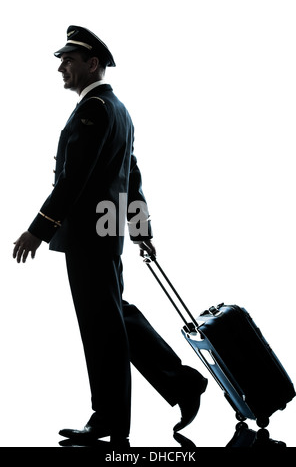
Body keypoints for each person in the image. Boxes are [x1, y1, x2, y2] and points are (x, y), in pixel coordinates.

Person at [13, 26, 208, 447]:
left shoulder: (95, 109)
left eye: (69, 60)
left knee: (102, 323)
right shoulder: (117, 109)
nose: (62, 67)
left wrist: (37, 228)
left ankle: (111, 420)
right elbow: (130, 175)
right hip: (107, 228)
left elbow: (75, 178)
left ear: (92, 64)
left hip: (88, 232)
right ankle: (180, 383)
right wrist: (139, 228)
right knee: (113, 314)